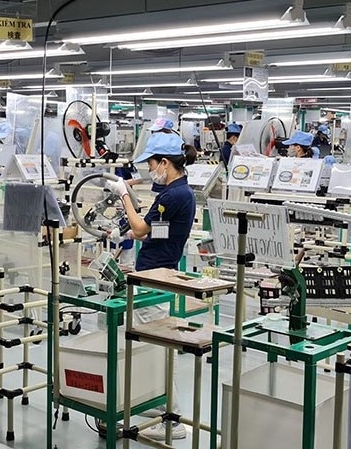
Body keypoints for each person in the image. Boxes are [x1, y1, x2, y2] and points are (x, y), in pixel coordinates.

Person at [105, 133, 196, 441]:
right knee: (149, 347)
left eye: (152, 164)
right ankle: (155, 406)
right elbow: (158, 230)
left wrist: (124, 196)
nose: (150, 170)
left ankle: (172, 421)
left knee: (161, 350)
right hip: (153, 272)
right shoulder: (179, 193)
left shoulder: (173, 195)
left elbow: (144, 226)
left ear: (165, 163)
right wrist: (133, 232)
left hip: (157, 277)